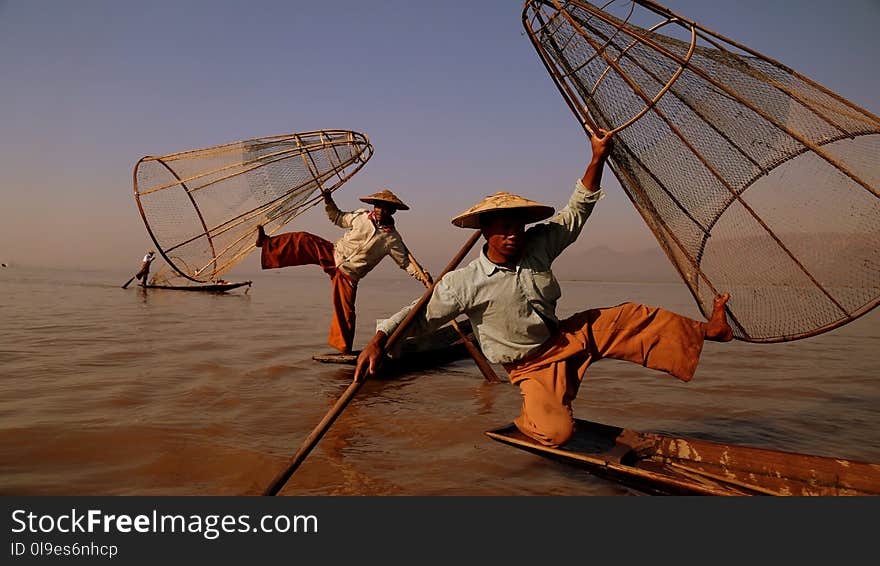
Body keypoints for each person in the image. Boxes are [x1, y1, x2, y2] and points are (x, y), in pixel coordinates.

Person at [356, 130, 733, 448]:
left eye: (517, 228)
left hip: (564, 335)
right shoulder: (464, 283)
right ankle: (529, 417)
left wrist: (597, 158)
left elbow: (576, 212)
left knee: (632, 318)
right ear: (485, 232)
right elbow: (421, 315)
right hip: (530, 365)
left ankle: (708, 330)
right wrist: (379, 339)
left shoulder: (537, 245)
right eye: (503, 229)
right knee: (556, 433)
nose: (512, 236)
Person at [256, 188, 432, 355]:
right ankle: (266, 243)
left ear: (392, 212)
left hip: (349, 274)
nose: (380, 210)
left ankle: (344, 349)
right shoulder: (361, 216)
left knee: (345, 311)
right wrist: (328, 201)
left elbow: (406, 263)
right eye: (378, 206)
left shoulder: (392, 239)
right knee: (303, 239)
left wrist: (422, 276)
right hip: (334, 254)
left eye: (385, 208)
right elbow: (338, 218)